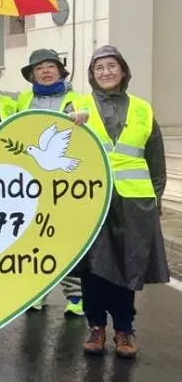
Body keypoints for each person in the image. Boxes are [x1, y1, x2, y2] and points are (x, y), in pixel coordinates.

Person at [69, 45, 168, 359]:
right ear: (91, 74)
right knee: (92, 268)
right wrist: (70, 123)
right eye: (99, 68)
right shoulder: (76, 105)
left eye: (112, 66)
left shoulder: (142, 108)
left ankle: (124, 330)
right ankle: (96, 327)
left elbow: (156, 159)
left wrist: (156, 197)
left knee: (128, 266)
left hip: (133, 203)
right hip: (91, 200)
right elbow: (61, 150)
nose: (106, 72)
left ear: (123, 71)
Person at [9, 49, 84, 315]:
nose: (45, 71)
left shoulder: (77, 100)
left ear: (60, 71)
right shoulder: (22, 100)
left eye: (50, 66)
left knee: (66, 238)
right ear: (31, 75)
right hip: (30, 182)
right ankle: (36, 292)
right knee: (34, 238)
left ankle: (75, 296)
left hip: (65, 185)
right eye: (39, 68)